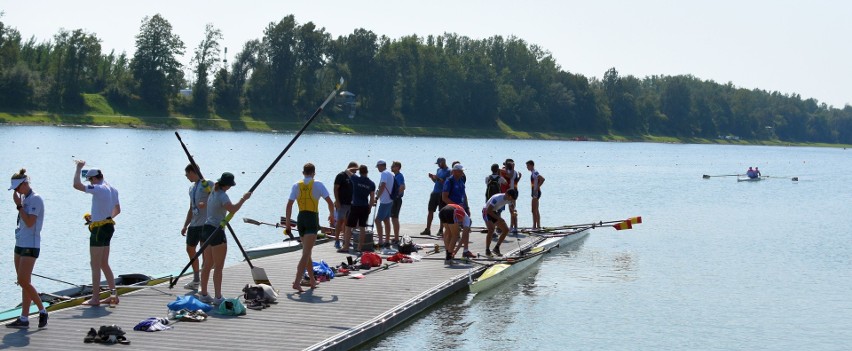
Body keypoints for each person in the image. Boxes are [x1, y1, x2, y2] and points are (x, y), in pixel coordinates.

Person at [198, 172, 251, 305]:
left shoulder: (213, 192)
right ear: (227, 185)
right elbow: (233, 208)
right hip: (217, 231)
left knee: (207, 264)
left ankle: (203, 294)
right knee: (218, 267)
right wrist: (243, 199)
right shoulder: (222, 195)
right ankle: (218, 297)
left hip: (206, 229)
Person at [73, 160, 120, 306]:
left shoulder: (98, 188)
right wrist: (102, 217)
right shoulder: (112, 189)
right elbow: (117, 210)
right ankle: (113, 296)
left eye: (90, 180)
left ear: (93, 179)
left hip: (99, 230)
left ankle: (95, 298)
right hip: (108, 226)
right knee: (104, 263)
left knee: (95, 264)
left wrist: (78, 167)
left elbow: (76, 185)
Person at [7, 169, 48, 328]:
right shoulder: (24, 198)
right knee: (24, 282)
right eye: (15, 189)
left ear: (25, 184)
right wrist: (20, 204)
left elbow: (30, 222)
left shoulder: (36, 199)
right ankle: (24, 318)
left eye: (17, 188)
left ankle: (42, 310)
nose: (16, 192)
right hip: (20, 242)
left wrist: (19, 207)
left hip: (31, 244)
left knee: (22, 280)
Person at [284, 163, 334, 293]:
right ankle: (296, 282)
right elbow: (330, 202)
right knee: (306, 253)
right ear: (314, 173)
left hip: (301, 219)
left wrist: (288, 223)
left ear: (303, 172)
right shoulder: (318, 184)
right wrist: (332, 216)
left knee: (308, 253)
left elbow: (289, 205)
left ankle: (312, 280)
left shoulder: (296, 185)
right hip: (312, 219)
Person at [180, 164, 211, 290]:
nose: (186, 177)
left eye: (187, 174)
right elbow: (191, 208)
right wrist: (185, 225)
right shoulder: (191, 188)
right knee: (190, 249)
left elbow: (216, 197)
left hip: (205, 223)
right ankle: (196, 279)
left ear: (193, 172)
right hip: (194, 224)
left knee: (205, 253)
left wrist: (206, 203)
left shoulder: (207, 183)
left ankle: (203, 281)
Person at [442, 163, 474, 258]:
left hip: (462, 208)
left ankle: (465, 250)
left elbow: (464, 195)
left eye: (462, 171)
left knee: (467, 225)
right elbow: (444, 198)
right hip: (451, 210)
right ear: (455, 171)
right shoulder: (449, 181)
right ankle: (449, 252)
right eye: (460, 171)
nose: (462, 173)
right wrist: (455, 207)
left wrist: (467, 207)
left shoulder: (461, 180)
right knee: (449, 232)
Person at [343, 165, 375, 253]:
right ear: (367, 172)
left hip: (355, 206)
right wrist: (370, 207)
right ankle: (359, 248)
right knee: (362, 228)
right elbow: (372, 198)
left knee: (349, 227)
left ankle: (346, 247)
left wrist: (355, 169)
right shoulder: (371, 183)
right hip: (365, 206)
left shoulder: (356, 179)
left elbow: (346, 170)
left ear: (359, 172)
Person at [483, 189, 518, 257]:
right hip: (486, 211)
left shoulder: (509, 198)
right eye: (511, 198)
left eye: (512, 199)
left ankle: (496, 248)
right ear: (507, 194)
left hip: (494, 212)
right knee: (491, 229)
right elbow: (489, 211)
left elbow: (512, 207)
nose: (511, 200)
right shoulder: (497, 198)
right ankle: (487, 250)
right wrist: (499, 218)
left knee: (506, 230)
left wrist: (514, 212)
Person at [421, 157, 450, 236]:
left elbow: (446, 183)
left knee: (441, 211)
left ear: (443, 162)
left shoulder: (449, 171)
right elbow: (436, 181)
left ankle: (441, 230)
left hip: (442, 193)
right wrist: (432, 178)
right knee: (430, 210)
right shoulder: (438, 170)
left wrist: (438, 178)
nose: (438, 165)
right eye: (437, 164)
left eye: (439, 163)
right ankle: (428, 229)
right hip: (435, 192)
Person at [333, 161, 358, 249]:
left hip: (350, 203)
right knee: (340, 221)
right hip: (342, 203)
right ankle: (336, 240)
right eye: (354, 170)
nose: (355, 172)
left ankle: (345, 240)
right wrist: (337, 201)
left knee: (348, 223)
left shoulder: (353, 177)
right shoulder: (341, 175)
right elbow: (336, 188)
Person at [374, 160, 394, 248]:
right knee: (386, 220)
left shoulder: (384, 174)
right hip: (390, 200)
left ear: (381, 166)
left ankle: (381, 240)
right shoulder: (390, 174)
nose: (378, 168)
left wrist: (377, 197)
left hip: (385, 201)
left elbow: (382, 185)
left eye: (378, 166)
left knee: (377, 220)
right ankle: (387, 240)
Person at [500, 159, 521, 234]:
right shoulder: (512, 172)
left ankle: (515, 227)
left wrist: (511, 168)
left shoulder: (511, 172)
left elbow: (510, 175)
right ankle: (512, 226)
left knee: (512, 210)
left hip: (512, 193)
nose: (504, 166)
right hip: (512, 191)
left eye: (505, 165)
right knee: (511, 210)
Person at [390, 161, 406, 245]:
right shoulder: (395, 176)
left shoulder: (399, 176)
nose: (391, 167)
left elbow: (403, 187)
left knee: (395, 218)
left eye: (393, 166)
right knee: (393, 218)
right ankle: (395, 237)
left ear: (398, 167)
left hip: (397, 199)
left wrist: (396, 196)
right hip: (395, 199)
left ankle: (396, 238)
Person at [526, 160, 545, 229]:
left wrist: (537, 187)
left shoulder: (535, 172)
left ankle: (535, 226)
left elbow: (542, 179)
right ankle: (537, 225)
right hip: (534, 192)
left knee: (534, 210)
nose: (527, 167)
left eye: (528, 165)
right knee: (535, 210)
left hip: (536, 192)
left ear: (531, 165)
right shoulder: (533, 172)